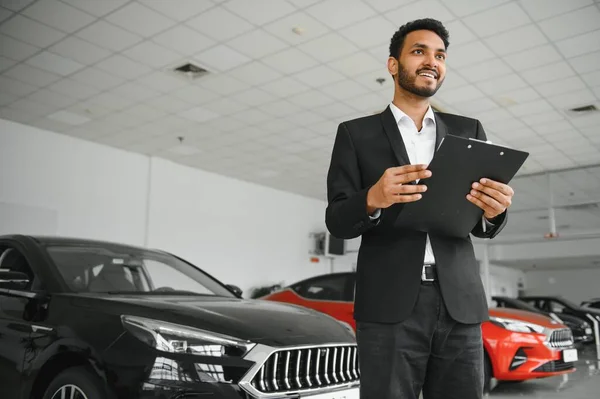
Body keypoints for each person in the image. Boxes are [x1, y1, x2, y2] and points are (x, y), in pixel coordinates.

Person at [325, 18, 515, 399]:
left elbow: (480, 223)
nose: (432, 61)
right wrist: (372, 198)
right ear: (393, 65)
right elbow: (337, 219)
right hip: (389, 302)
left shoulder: (469, 129)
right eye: (419, 51)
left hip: (459, 301)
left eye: (440, 55)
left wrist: (495, 211)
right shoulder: (355, 134)